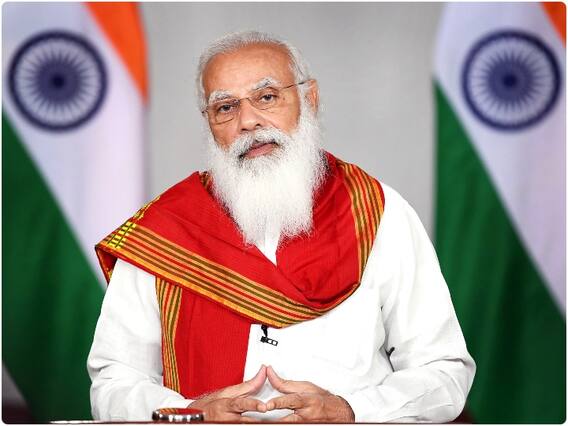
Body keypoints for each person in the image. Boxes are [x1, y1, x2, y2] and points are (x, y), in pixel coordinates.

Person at [88, 30, 475, 423]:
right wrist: (190, 414)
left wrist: (350, 411)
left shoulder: (377, 213)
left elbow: (443, 372)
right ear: (209, 122)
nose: (248, 121)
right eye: (225, 107)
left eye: (267, 97)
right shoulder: (165, 233)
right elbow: (114, 382)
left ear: (310, 99)